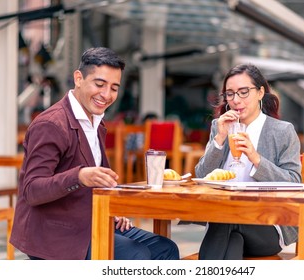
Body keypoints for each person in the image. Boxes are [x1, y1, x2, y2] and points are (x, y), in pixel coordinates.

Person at [10, 47, 179, 260]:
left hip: (89, 222)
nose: (106, 95)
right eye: (99, 84)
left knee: (165, 248)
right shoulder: (51, 124)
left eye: (114, 88)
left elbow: (100, 182)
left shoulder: (96, 122)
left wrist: (113, 209)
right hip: (55, 233)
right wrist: (79, 176)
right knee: (138, 255)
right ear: (78, 78)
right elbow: (32, 190)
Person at [195, 63, 301, 260]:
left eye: (244, 92)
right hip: (225, 220)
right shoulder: (219, 127)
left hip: (267, 223)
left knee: (226, 221)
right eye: (230, 94)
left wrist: (256, 158)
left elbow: (294, 182)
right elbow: (201, 176)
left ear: (260, 92)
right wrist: (219, 139)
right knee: (233, 240)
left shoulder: (283, 131)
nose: (236, 100)